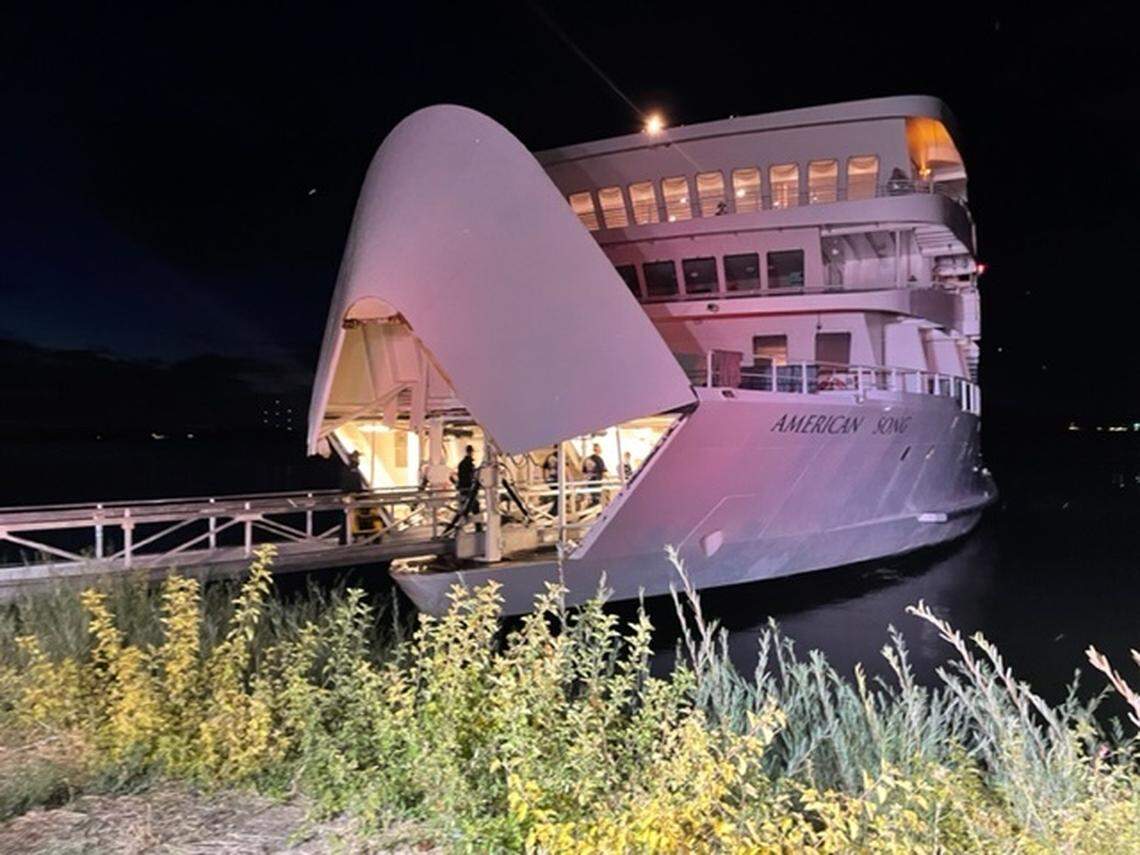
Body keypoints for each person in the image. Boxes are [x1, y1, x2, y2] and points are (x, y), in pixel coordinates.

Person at [542, 444, 561, 517]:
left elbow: (543, 468)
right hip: (557, 479)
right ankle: (553, 512)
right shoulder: (560, 456)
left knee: (556, 496)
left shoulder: (550, 457)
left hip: (551, 478)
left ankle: (554, 512)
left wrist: (545, 478)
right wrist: (569, 480)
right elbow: (566, 469)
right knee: (559, 496)